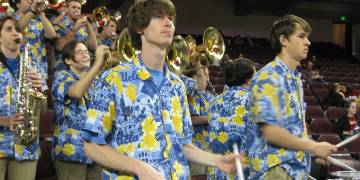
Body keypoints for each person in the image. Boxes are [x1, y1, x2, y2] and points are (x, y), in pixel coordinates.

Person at [81, 1, 242, 179]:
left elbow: (182, 144)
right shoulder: (114, 79)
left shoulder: (177, 85)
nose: (169, 23)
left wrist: (216, 160)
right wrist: (138, 167)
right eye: (158, 17)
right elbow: (91, 146)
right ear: (140, 27)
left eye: (171, 19)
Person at [247, 14, 337, 179]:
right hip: (275, 170)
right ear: (284, 40)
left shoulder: (295, 77)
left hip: (295, 170)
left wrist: (314, 150)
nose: (308, 42)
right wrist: (314, 146)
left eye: (307, 37)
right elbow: (271, 132)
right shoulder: (268, 76)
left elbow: (294, 130)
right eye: (301, 36)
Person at [52, 40, 107, 180]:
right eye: (79, 52)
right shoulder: (62, 76)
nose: (85, 55)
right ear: (68, 60)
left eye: (86, 52)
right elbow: (76, 92)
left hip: (96, 151)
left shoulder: (96, 80)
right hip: (71, 153)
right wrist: (97, 64)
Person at [0, 16, 47, 180]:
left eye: (18, 30)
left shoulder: (33, 66)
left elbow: (43, 110)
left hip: (27, 147)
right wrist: (6, 121)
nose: (15, 33)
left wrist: (39, 89)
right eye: (9, 29)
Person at [208, 58, 256, 180]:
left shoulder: (215, 100)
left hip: (217, 170)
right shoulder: (252, 100)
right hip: (240, 171)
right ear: (248, 80)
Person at [14, 0, 57, 81]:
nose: (30, 1)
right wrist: (32, 11)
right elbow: (17, 29)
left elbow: (52, 35)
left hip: (39, 71)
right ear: (18, 4)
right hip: (19, 70)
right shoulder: (11, 20)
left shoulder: (38, 21)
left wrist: (40, 13)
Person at [53, 0, 97, 72]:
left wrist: (88, 25)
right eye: (74, 7)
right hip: (63, 69)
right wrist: (75, 29)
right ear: (67, 9)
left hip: (81, 70)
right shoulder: (59, 23)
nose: (77, 10)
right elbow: (59, 46)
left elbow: (93, 46)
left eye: (79, 8)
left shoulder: (82, 27)